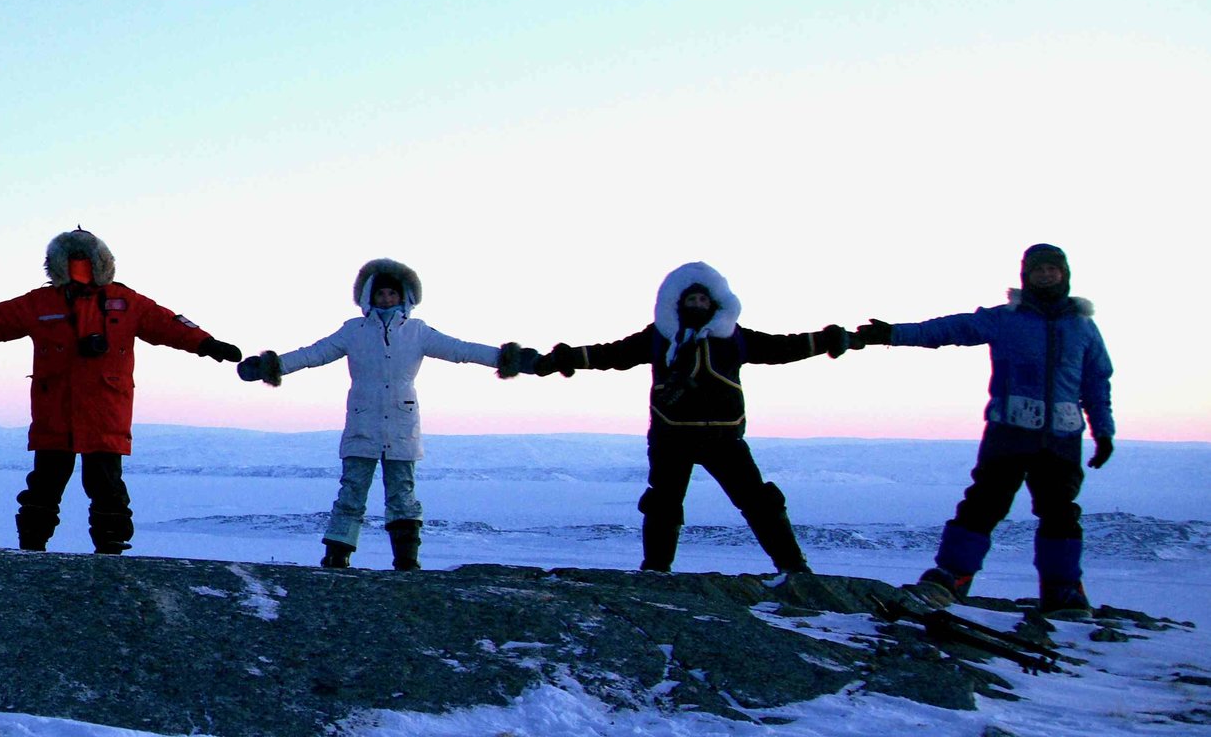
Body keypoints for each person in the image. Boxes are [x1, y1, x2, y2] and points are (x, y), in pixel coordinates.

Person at [0, 229, 244, 554]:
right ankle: (32, 548)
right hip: (57, 411)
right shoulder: (40, 303)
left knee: (105, 488)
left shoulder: (126, 302)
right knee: (45, 486)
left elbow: (169, 324)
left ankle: (109, 550)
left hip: (104, 413)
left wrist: (206, 343)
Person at [534, 261, 852, 579]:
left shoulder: (734, 338)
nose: (697, 304)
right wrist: (567, 358)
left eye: (702, 300)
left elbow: (782, 347)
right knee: (663, 504)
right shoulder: (659, 337)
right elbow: (613, 354)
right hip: (671, 437)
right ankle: (656, 570)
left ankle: (793, 566)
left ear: (714, 304)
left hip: (724, 439)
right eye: (691, 300)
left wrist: (827, 340)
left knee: (760, 501)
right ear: (678, 303)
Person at [852, 243, 1113, 618]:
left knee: (1060, 513)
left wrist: (1103, 431)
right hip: (1009, 433)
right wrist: (892, 333)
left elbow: (1096, 381)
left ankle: (1063, 590)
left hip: (1061, 438)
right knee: (983, 504)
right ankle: (952, 576)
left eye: (1052, 269)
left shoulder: (1083, 327)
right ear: (1026, 275)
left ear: (1064, 274)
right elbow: (948, 329)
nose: (1045, 275)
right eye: (1038, 269)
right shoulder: (1005, 318)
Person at [236, 259, 531, 570]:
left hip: (402, 425)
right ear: (369, 297)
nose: (386, 300)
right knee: (352, 490)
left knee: (402, 492)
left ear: (404, 296)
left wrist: (507, 358)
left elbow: (461, 350)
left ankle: (407, 558)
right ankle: (337, 554)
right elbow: (315, 353)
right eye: (381, 294)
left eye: (392, 294)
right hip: (362, 422)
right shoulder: (354, 330)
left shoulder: (418, 332)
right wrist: (272, 365)